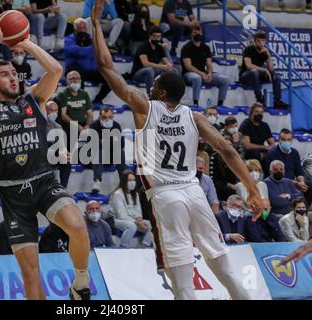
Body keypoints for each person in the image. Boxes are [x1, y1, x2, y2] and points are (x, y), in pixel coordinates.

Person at [91, 0, 264, 300]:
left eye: (154, 83)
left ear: (159, 92)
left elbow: (107, 67)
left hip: (166, 197)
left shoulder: (145, 108)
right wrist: (254, 191)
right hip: (194, 192)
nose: (151, 86)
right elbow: (229, 151)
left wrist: (95, 23)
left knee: (181, 282)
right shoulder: (194, 117)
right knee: (225, 269)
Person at [0, 17, 91, 300]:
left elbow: (56, 69)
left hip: (44, 182)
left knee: (77, 226)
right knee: (30, 274)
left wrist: (23, 41)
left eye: (14, 73)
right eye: (4, 74)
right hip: (13, 195)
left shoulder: (34, 101)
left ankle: (81, 282)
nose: (12, 77)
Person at [264, 128, 312, 206]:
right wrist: (295, 183)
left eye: (289, 139)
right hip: (278, 181)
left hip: (293, 182)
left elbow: (299, 171)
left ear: (292, 140)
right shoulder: (271, 153)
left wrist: (301, 182)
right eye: (283, 139)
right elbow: (273, 175)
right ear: (279, 140)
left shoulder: (295, 152)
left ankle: (305, 207)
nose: (286, 142)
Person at [64, 18, 111, 104]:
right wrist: (92, 49)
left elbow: (99, 53)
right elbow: (76, 51)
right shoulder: (69, 39)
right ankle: (81, 101)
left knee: (110, 77)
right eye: (80, 28)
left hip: (91, 71)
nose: (82, 30)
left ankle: (98, 100)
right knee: (76, 75)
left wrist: (86, 50)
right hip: (74, 69)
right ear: (75, 28)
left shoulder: (90, 38)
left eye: (84, 28)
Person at [181, 23, 230, 107]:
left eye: (199, 32)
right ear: (190, 34)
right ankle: (195, 103)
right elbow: (188, 66)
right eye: (195, 32)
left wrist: (209, 73)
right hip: (188, 74)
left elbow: (209, 64)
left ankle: (220, 105)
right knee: (197, 78)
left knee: (225, 79)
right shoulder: (186, 48)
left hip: (203, 73)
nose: (198, 34)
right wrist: (202, 74)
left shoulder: (206, 47)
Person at [239, 31, 289, 109]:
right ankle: (260, 99)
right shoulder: (249, 49)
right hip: (246, 76)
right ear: (255, 41)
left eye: (263, 41)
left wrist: (268, 55)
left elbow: (271, 69)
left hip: (257, 76)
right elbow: (249, 66)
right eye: (258, 41)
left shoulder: (265, 51)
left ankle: (277, 101)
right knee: (254, 71)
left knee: (276, 76)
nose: (261, 43)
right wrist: (264, 70)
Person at [109, 170, 152, 248]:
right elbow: (121, 215)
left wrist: (140, 220)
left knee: (151, 225)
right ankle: (123, 246)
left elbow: (138, 210)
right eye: (129, 180)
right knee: (132, 226)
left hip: (133, 220)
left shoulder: (135, 194)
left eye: (133, 180)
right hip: (117, 220)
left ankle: (145, 246)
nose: (132, 182)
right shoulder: (117, 194)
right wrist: (137, 222)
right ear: (124, 181)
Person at [90, 106, 127, 192]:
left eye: (110, 117)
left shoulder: (116, 125)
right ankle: (97, 181)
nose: (107, 120)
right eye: (104, 117)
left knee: (120, 152)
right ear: (99, 117)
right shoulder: (94, 126)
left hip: (110, 156)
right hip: (96, 157)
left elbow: (121, 144)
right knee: (98, 151)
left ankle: (124, 182)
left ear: (113, 117)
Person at [131, 26, 176, 92]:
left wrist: (168, 65)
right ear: (150, 36)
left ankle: (170, 94)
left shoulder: (160, 47)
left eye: (159, 36)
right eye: (155, 36)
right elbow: (145, 64)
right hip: (139, 73)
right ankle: (150, 94)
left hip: (154, 72)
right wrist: (163, 66)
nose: (157, 39)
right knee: (149, 70)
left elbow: (166, 61)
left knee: (173, 71)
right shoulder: (143, 46)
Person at [58, 70, 94, 135]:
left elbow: (90, 114)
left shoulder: (84, 94)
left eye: (77, 78)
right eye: (72, 79)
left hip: (83, 123)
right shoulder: (62, 94)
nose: (75, 81)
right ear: (67, 81)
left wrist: (87, 125)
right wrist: (77, 126)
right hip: (69, 124)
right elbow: (63, 115)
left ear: (80, 80)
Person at [45, 100, 71, 186]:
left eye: (56, 110)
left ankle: (62, 189)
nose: (54, 113)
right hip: (40, 154)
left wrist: (65, 152)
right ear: (44, 110)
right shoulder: (38, 125)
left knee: (66, 160)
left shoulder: (58, 126)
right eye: (51, 110)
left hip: (52, 157)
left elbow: (61, 146)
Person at [211, 137, 239, 201]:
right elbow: (214, 179)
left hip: (234, 184)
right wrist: (228, 184)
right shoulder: (215, 157)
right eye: (226, 144)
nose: (228, 147)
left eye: (230, 145)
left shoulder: (236, 158)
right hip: (220, 185)